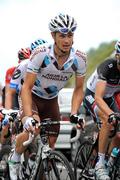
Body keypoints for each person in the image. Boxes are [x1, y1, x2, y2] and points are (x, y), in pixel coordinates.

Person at [8, 13, 87, 180]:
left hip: (51, 101)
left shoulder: (79, 58)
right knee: (33, 129)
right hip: (33, 97)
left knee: (49, 148)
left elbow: (79, 89)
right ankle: (14, 158)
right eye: (62, 35)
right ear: (53, 36)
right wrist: (28, 116)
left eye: (70, 35)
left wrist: (74, 113)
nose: (67, 40)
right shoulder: (41, 53)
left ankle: (36, 167)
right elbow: (27, 87)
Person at [83, 40, 120, 180]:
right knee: (108, 120)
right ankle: (99, 163)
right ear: (117, 56)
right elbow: (98, 97)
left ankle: (110, 163)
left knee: (118, 135)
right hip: (92, 96)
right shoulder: (107, 67)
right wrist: (111, 114)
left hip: (110, 98)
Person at [0, 48, 31, 145]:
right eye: (21, 60)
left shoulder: (34, 71)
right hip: (13, 96)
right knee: (7, 123)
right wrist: (7, 112)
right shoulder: (12, 71)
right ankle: (2, 146)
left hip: (24, 97)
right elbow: (9, 93)